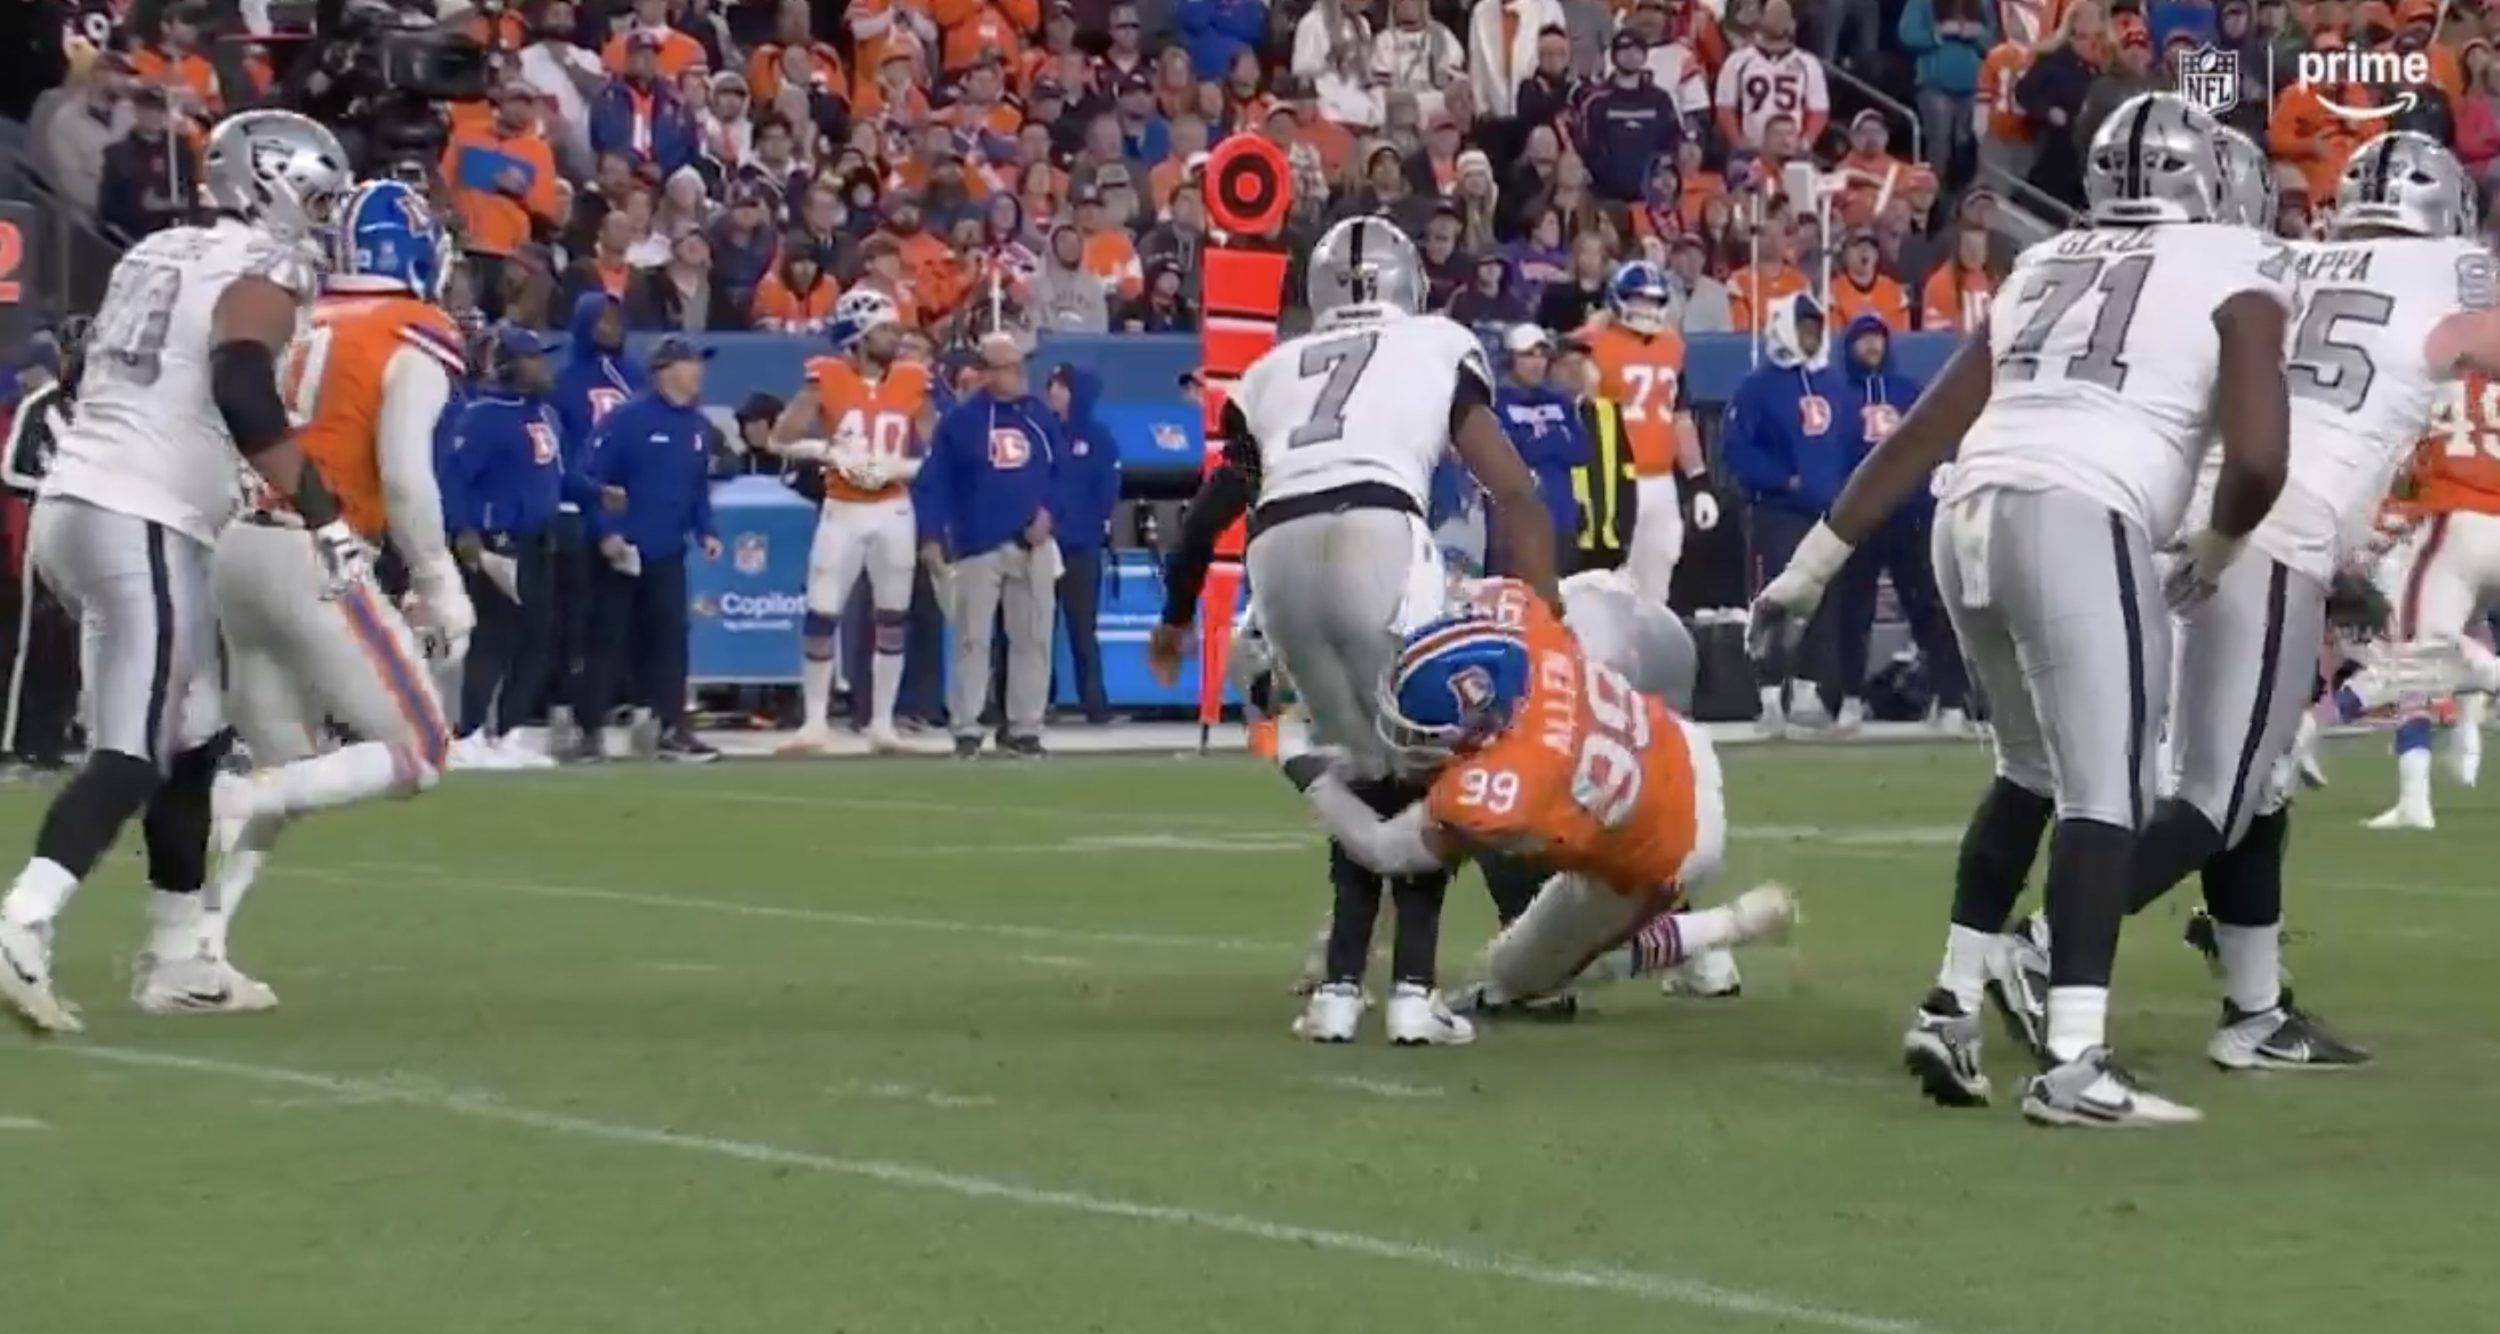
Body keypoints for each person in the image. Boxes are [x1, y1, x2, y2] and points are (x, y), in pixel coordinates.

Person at [1750, 93, 2295, 1127]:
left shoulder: (2044, 263)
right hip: (2080, 506)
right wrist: (2217, 549)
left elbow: (1919, 433)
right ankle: (2074, 1061)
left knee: (2027, 771)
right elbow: (2262, 455)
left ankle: (1952, 1000)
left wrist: (1808, 568)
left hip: (1971, 506)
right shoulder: (2239, 261)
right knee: (2107, 793)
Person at [1145, 216, 1561, 1048]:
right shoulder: (1436, 343)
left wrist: (1175, 619)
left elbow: (1206, 517)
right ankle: (1411, 992)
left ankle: (1339, 990)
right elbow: (1512, 489)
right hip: (1379, 527)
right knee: (1424, 762)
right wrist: (1546, 622)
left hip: (1277, 546)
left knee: (1356, 764)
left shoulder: (1272, 369)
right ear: (1409, 281)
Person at [2142, 133, 2500, 1069]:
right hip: (2276, 530)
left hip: (2203, 514)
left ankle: (2255, 1013)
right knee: (2220, 792)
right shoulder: (2453, 269)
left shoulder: (2289, 256)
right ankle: (2047, 944)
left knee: (2247, 783)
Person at [0, 110, 349, 1033]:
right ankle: (21, 921)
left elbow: (89, 371)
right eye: (311, 196)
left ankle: (182, 957)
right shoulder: (267, 268)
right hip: (139, 518)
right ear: (266, 184)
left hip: (80, 505)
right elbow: (240, 384)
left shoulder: (153, 252)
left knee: (194, 737)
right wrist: (324, 512)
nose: (317, 217)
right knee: (133, 747)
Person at [1285, 582, 1795, 1016]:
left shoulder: (1508, 783)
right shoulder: (1522, 619)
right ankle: (1695, 954)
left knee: (1514, 979)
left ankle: (1725, 928)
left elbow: (1383, 848)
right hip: (1674, 744)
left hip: (1676, 845)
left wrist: (1307, 773)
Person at [205, 179, 475, 995]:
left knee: (289, 769)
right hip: (315, 549)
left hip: (238, 546)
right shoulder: (412, 328)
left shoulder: (304, 315)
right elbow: (403, 474)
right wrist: (438, 578)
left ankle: (198, 947)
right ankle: (238, 794)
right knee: (420, 751)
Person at [768, 290, 934, 753]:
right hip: (842, 508)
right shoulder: (828, 376)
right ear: (857, 337)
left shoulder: (911, 379)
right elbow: (780, 438)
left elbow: (938, 451)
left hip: (893, 507)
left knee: (892, 616)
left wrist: (898, 467)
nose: (894, 337)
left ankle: (882, 723)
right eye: (883, 329)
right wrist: (829, 452)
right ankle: (816, 722)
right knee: (822, 612)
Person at [915, 334, 1062, 760]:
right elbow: (935, 482)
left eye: (1020, 365)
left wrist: (1050, 512)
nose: (1019, 374)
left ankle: (1024, 726)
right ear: (985, 373)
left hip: (1032, 543)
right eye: (1009, 366)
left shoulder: (1039, 417)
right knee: (971, 639)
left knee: (1032, 637)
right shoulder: (962, 422)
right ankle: (965, 724)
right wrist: (931, 535)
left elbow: (1062, 472)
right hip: (979, 543)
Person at [576, 335, 722, 764]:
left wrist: (706, 529)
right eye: (692, 362)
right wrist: (607, 533)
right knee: (608, 639)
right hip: (624, 550)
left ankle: (671, 728)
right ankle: (591, 730)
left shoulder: (697, 426)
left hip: (667, 550)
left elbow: (696, 487)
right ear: (665, 371)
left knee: (671, 640)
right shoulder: (627, 419)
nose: (699, 371)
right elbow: (592, 479)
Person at [444, 322, 575, 771]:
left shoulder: (544, 413)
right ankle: (469, 732)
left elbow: (558, 472)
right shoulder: (485, 415)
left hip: (541, 537)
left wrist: (597, 492)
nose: (542, 365)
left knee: (537, 639)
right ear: (506, 364)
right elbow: (455, 477)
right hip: (501, 537)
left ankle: (511, 731)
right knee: (494, 638)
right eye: (532, 357)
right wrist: (463, 529)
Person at [1828, 312, 1965, 732]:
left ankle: (1951, 700)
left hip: (1909, 512)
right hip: (1861, 513)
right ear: (1849, 346)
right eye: (1863, 339)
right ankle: (1849, 698)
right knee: (1853, 610)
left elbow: (1934, 436)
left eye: (1877, 338)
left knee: (1927, 608)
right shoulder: (1837, 394)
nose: (1871, 346)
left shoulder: (1907, 392)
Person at [1722, 292, 1852, 734]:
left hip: (1826, 517)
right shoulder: (1756, 387)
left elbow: (1849, 443)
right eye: (1804, 328)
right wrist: (1781, 479)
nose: (1812, 337)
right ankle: (1768, 696)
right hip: (1776, 514)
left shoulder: (1835, 384)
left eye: (1817, 328)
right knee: (1773, 601)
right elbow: (1736, 448)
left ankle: (1809, 691)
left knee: (1822, 602)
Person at [1582, 261, 1716, 605]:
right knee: (1609, 581)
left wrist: (1698, 480)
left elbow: (1680, 417)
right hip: (1614, 480)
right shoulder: (1594, 342)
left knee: (1659, 577)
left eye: (1653, 300)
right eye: (1638, 300)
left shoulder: (1672, 346)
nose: (1646, 309)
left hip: (1661, 479)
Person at [1, 333, 77, 775]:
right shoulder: (39, 407)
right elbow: (11, 470)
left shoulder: (101, 410)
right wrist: (55, 489)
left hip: (91, 537)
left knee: (73, 644)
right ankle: (14, 742)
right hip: (44, 531)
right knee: (31, 639)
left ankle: (57, 736)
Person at [1048, 364, 1121, 727]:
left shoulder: (1098, 438)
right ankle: (1032, 703)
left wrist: (1092, 528)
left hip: (1081, 548)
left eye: (1062, 387)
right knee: (1033, 631)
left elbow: (1107, 489)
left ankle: (1095, 705)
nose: (1055, 394)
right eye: (1052, 387)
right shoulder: (1041, 433)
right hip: (1042, 546)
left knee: (1082, 631)